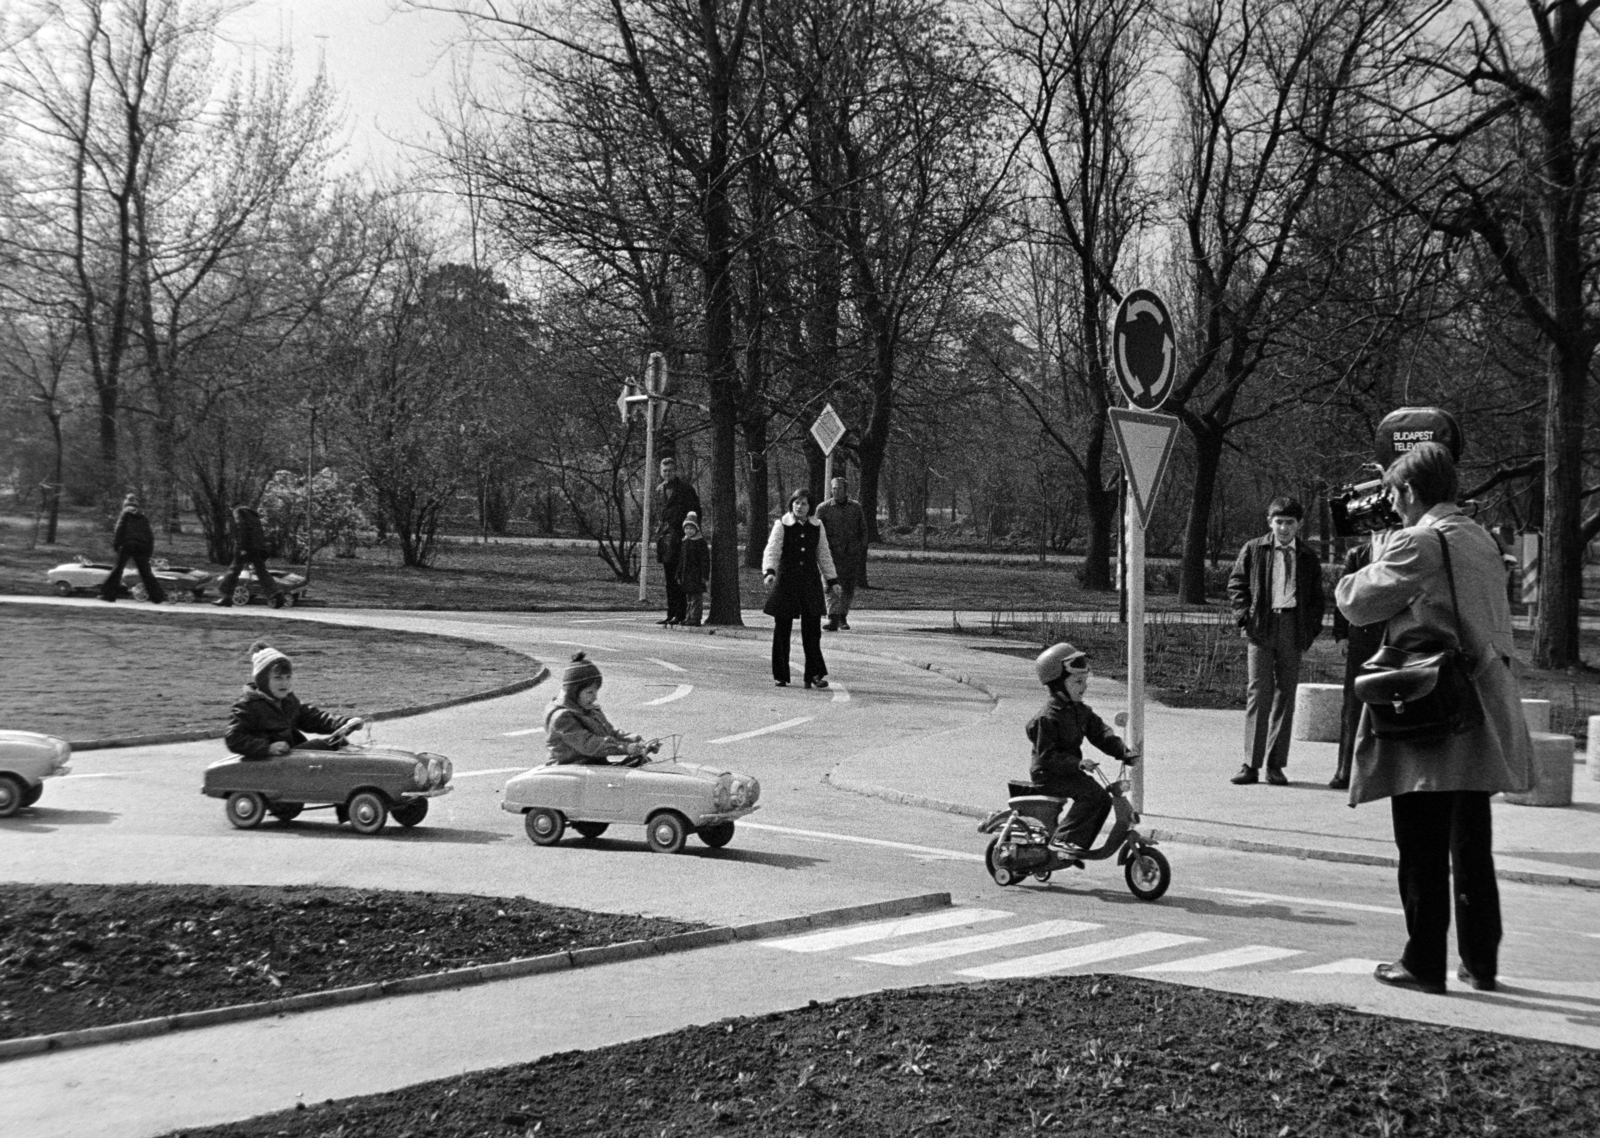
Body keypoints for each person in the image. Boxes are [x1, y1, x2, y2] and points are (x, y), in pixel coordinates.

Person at [1336, 442, 1534, 995]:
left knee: (1419, 838)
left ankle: (1423, 961)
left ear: (1408, 492)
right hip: (1483, 700)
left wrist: (1379, 551)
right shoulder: (1477, 537)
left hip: (1432, 705)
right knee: (1471, 839)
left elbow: (1355, 602)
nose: (1391, 506)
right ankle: (1480, 961)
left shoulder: (1418, 541)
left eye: (1394, 495)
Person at [1226, 496, 1326, 785]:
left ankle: (1275, 764)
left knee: (1286, 694)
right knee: (1259, 692)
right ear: (1269, 522)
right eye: (1279, 522)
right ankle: (1250, 764)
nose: (1284, 528)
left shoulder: (1307, 556)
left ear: (1299, 525)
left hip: (1293, 626)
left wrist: (1311, 628)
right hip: (1262, 626)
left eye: (1290, 523)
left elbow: (1317, 598)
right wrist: (1244, 616)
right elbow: (1237, 583)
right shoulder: (1255, 549)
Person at [1025, 643, 1138, 854]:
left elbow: (1100, 733)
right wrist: (1078, 763)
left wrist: (1122, 751)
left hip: (1069, 772)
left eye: (1085, 681)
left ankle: (1079, 845)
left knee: (1103, 799)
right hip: (1048, 775)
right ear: (1057, 686)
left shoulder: (1080, 711)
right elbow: (1047, 756)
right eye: (1078, 681)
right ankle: (1063, 839)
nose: (1084, 687)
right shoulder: (1046, 719)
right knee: (1091, 795)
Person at [225, 641, 363, 760]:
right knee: (320, 746)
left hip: (290, 756)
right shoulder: (248, 705)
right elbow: (234, 738)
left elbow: (313, 718)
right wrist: (267, 747)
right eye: (278, 678)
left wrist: (344, 722)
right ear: (263, 681)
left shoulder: (288, 701)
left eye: (288, 677)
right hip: (269, 760)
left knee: (338, 742)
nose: (284, 683)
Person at [761, 487, 840, 689]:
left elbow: (824, 553)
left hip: (810, 582)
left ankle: (814, 674)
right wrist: (770, 571)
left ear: (810, 507)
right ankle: (780, 674)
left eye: (804, 503)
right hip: (787, 582)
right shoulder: (782, 525)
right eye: (796, 502)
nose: (800, 506)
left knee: (812, 630)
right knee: (782, 629)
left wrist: (832, 579)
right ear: (791, 504)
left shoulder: (817, 526)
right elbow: (773, 549)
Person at [1329, 538, 1385, 790]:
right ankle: (1344, 771)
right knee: (1353, 705)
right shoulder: (1357, 554)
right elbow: (1343, 594)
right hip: (1361, 638)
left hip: (1393, 637)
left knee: (1388, 704)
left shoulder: (1405, 549)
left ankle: (1382, 773)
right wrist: (1341, 634)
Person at [544, 653, 657, 765]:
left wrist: (639, 742)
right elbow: (589, 744)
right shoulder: (562, 717)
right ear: (573, 692)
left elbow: (611, 733)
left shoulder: (590, 711)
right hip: (570, 769)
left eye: (596, 691)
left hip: (592, 767)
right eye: (590, 692)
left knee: (639, 763)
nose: (594, 697)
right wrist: (626, 748)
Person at [654, 456, 701, 626]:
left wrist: (690, 534)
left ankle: (680, 614)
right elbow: (659, 512)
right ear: (661, 472)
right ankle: (671, 612)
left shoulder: (685, 489)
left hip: (680, 537)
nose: (667, 473)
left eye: (670, 471)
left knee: (679, 577)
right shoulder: (659, 489)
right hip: (665, 538)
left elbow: (695, 512)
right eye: (664, 471)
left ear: (676, 471)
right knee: (668, 579)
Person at [816, 476, 868, 631]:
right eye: (833, 488)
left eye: (839, 488)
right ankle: (832, 617)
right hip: (831, 554)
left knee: (848, 586)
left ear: (846, 490)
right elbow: (816, 531)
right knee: (830, 585)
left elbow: (863, 529)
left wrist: (861, 548)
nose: (835, 491)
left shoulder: (855, 507)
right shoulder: (824, 508)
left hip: (851, 554)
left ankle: (842, 617)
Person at [98, 493, 166, 604]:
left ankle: (108, 594)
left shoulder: (125, 514)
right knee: (146, 572)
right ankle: (157, 596)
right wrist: (149, 551)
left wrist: (116, 544)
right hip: (142, 547)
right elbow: (149, 535)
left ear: (125, 505)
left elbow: (119, 529)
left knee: (118, 569)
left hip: (127, 545)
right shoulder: (143, 517)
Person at [214, 502, 283, 607]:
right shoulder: (253, 515)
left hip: (246, 548)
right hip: (257, 548)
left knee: (233, 571)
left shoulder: (238, 512)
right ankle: (276, 594)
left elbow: (242, 530)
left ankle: (226, 596)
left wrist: (242, 547)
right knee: (261, 572)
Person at [677, 512, 709, 627]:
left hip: (696, 575)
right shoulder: (685, 542)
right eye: (686, 528)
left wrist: (704, 575)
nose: (689, 530)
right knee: (689, 597)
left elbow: (705, 560)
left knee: (696, 598)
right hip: (686, 575)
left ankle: (695, 618)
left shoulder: (700, 542)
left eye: (691, 528)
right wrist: (678, 574)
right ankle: (688, 617)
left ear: (696, 529)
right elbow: (681, 561)